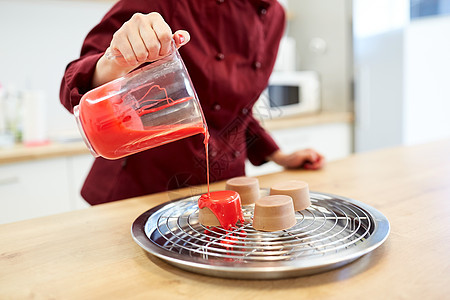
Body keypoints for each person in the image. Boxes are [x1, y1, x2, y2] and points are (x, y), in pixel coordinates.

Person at [60, 0, 325, 205]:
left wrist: (276, 154)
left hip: (224, 185)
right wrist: (114, 61)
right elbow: (72, 85)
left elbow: (237, 109)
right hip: (143, 190)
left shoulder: (274, 14)